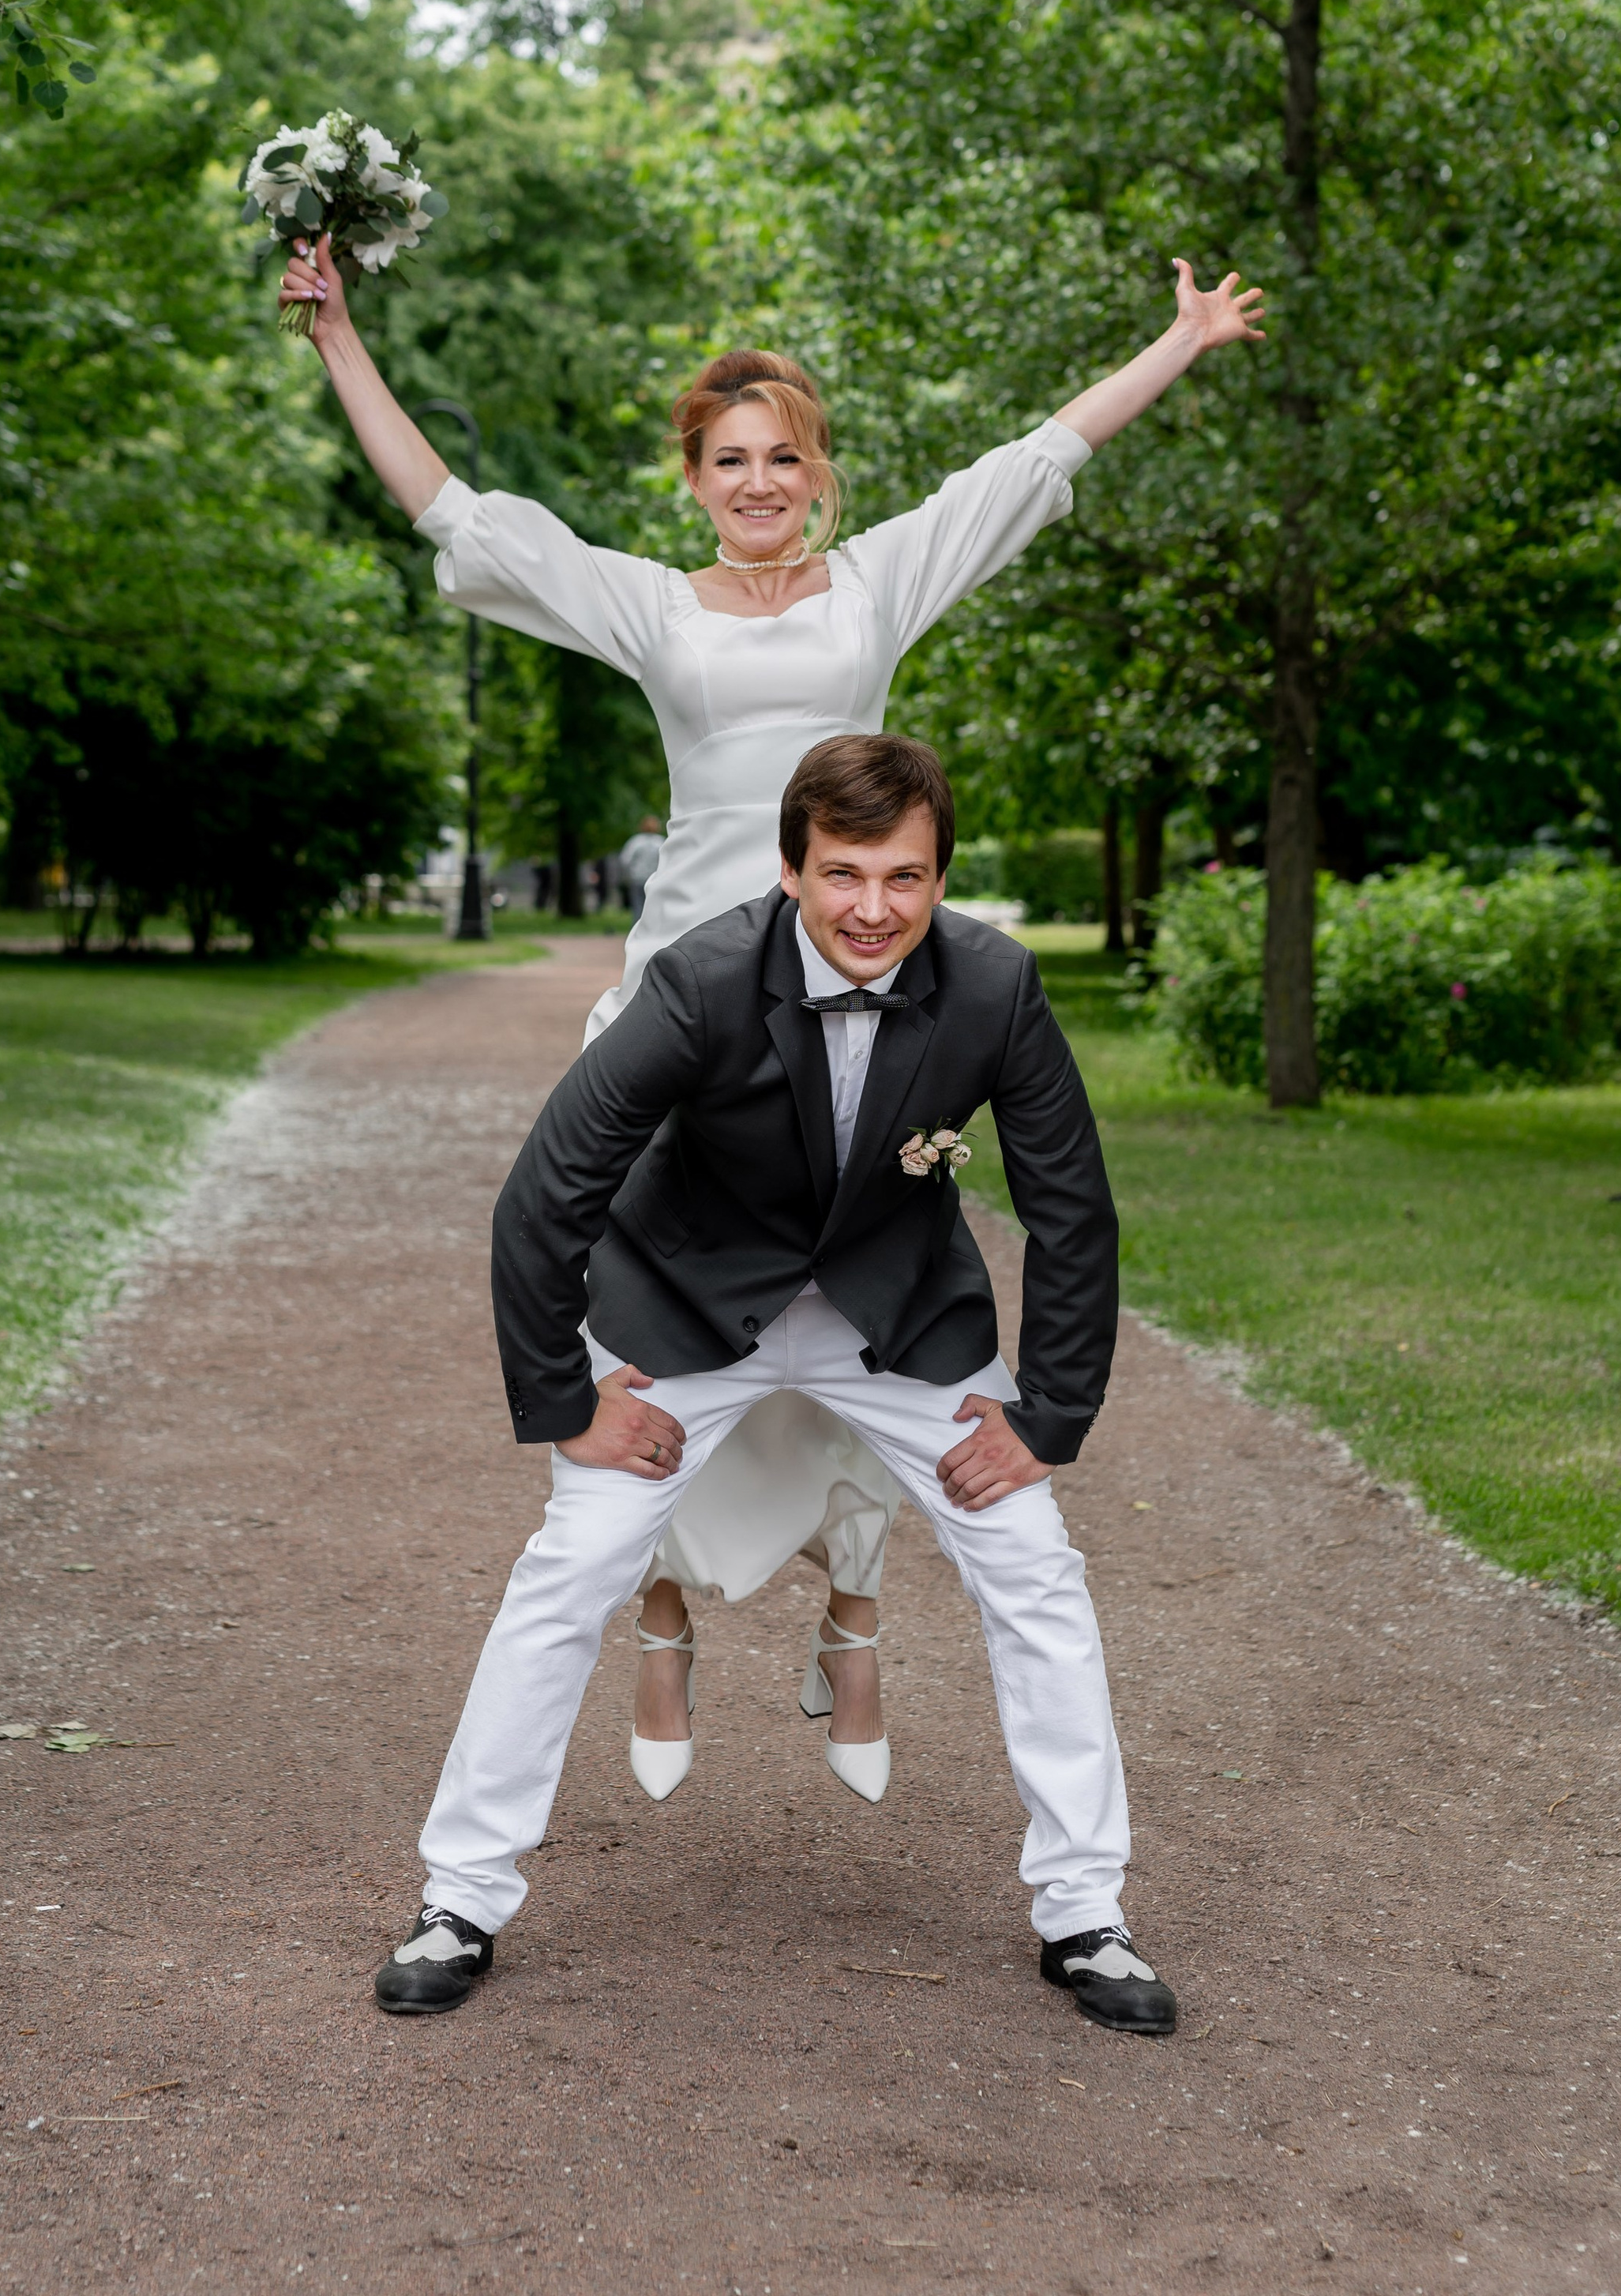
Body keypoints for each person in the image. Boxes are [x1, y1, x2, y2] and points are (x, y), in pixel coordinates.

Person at [277, 236, 1263, 1801]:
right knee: (662, 1318)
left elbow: (1032, 461)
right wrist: (337, 334)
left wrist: (1179, 343)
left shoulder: (875, 586)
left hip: (870, 980)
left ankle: (850, 1606)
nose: (756, 482)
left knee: (880, 1290)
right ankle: (657, 1610)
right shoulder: (651, 611)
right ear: (693, 478)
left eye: (782, 457)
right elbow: (452, 510)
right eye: (727, 459)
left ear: (819, 473)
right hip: (697, 1013)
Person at [373, 734, 1177, 2036]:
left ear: (940, 878)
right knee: (573, 1562)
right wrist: (569, 1403)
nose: (873, 908)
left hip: (897, 1314)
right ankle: (460, 1894)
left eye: (905, 877)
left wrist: (1051, 1412)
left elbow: (1071, 1210)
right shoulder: (702, 980)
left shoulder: (997, 986)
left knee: (1034, 1563)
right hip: (693, 1307)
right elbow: (545, 1195)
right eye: (845, 872)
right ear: (792, 868)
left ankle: (1085, 1912)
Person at [618, 814, 666, 916]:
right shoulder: (661, 842)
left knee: (638, 908)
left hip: (637, 879)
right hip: (656, 879)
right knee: (654, 908)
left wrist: (628, 875)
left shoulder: (635, 841)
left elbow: (625, 860)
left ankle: (638, 930)